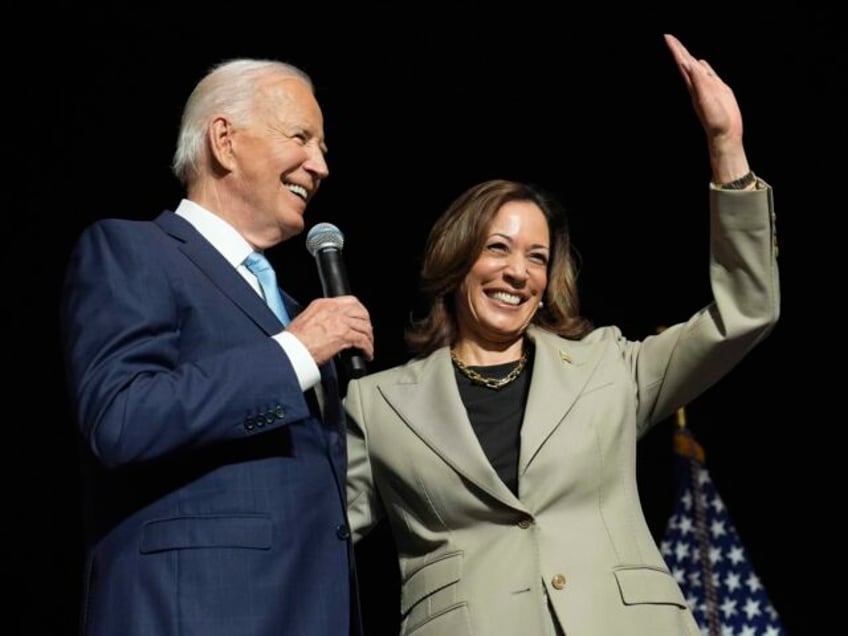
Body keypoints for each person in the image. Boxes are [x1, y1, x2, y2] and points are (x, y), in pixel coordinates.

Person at [344, 33, 779, 636]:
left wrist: (726, 148)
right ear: (457, 259)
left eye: (537, 257)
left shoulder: (610, 368)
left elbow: (745, 312)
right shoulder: (379, 404)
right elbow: (316, 530)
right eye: (497, 248)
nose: (517, 272)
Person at [60, 58, 373, 636]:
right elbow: (121, 417)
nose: (321, 165)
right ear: (224, 141)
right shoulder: (133, 250)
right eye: (301, 138)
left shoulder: (297, 308)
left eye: (324, 147)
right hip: (198, 611)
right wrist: (294, 354)